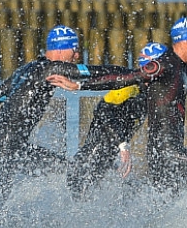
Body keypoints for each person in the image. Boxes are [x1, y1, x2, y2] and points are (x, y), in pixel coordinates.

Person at [67, 13, 187, 193]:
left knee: (167, 205)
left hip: (168, 152)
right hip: (166, 153)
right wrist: (79, 86)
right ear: (185, 42)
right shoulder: (164, 65)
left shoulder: (181, 62)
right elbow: (127, 77)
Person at [0, 25, 141, 201]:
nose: (77, 55)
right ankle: (74, 215)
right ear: (62, 50)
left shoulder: (27, 69)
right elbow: (98, 72)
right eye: (74, 50)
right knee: (68, 172)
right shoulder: (51, 69)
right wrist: (136, 75)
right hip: (9, 151)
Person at [61, 43, 156, 198]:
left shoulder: (149, 93)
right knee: (81, 201)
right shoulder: (129, 88)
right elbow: (102, 110)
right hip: (90, 158)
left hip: (106, 158)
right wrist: (123, 145)